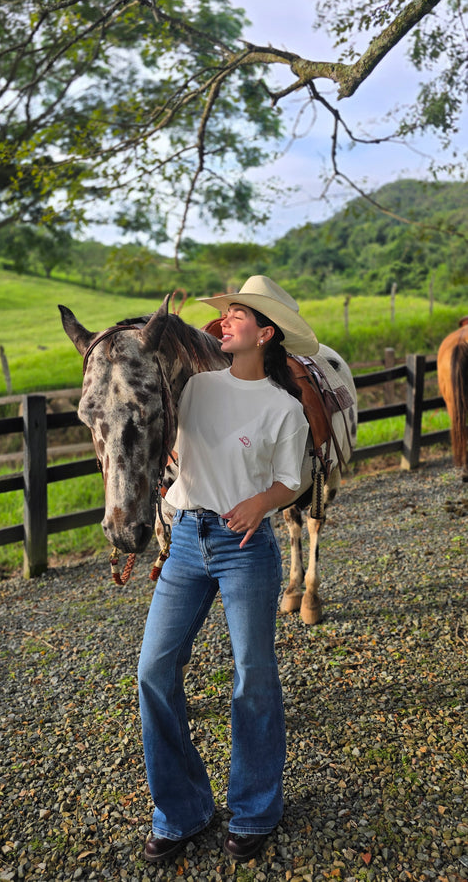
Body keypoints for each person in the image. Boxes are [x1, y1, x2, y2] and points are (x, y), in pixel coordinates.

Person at [138, 275, 319, 864]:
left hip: (246, 548)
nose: (225, 320)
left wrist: (263, 503)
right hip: (187, 541)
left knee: (253, 678)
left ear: (264, 334)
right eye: (226, 313)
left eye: (238, 314)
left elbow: (296, 479)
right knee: (154, 669)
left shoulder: (284, 408)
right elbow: (169, 438)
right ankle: (183, 811)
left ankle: (256, 810)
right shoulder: (197, 387)